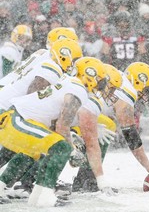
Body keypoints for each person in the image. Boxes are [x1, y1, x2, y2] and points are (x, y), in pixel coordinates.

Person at [0, 57, 108, 207]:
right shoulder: (78, 89)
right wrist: (72, 150)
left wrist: (71, 136)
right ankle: (45, 197)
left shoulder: (71, 82)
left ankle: (37, 196)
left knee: (43, 151)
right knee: (62, 148)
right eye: (101, 81)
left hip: (17, 119)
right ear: (90, 75)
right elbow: (62, 126)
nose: (101, 86)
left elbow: (55, 122)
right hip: (16, 119)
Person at [71, 62, 149, 192]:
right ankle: (88, 178)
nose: (145, 94)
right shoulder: (128, 92)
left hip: (73, 105)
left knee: (103, 127)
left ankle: (81, 167)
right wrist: (148, 165)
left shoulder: (119, 79)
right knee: (108, 127)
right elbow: (130, 134)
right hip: (79, 109)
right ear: (138, 81)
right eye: (146, 89)